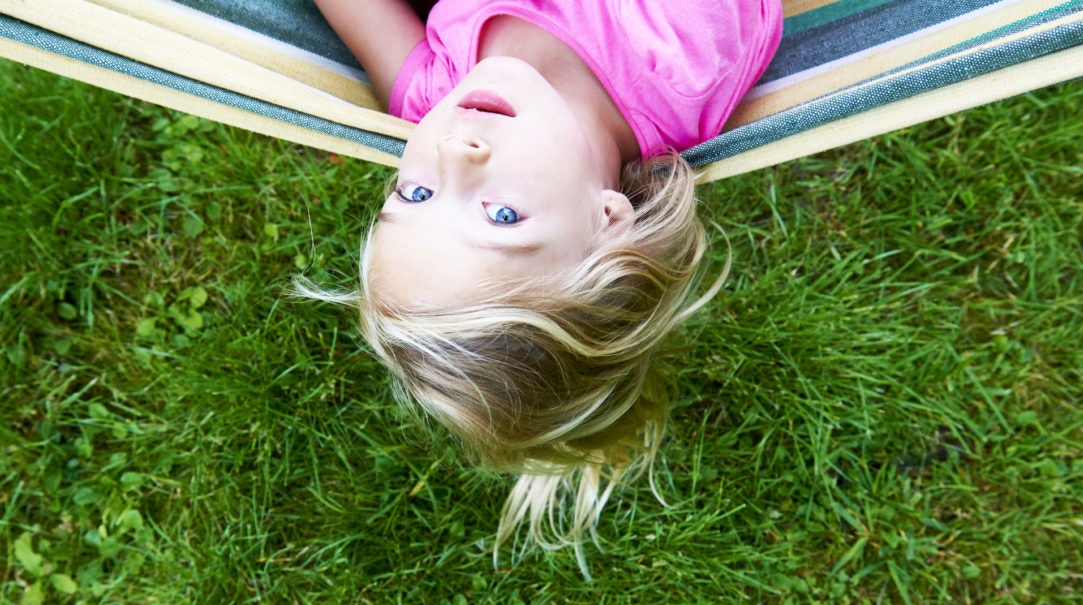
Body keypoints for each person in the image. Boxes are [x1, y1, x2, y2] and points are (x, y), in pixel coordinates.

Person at [304, 0, 782, 575]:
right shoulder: (683, 56)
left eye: (415, 196)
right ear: (606, 223)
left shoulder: (435, 99)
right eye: (502, 216)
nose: (455, 153)